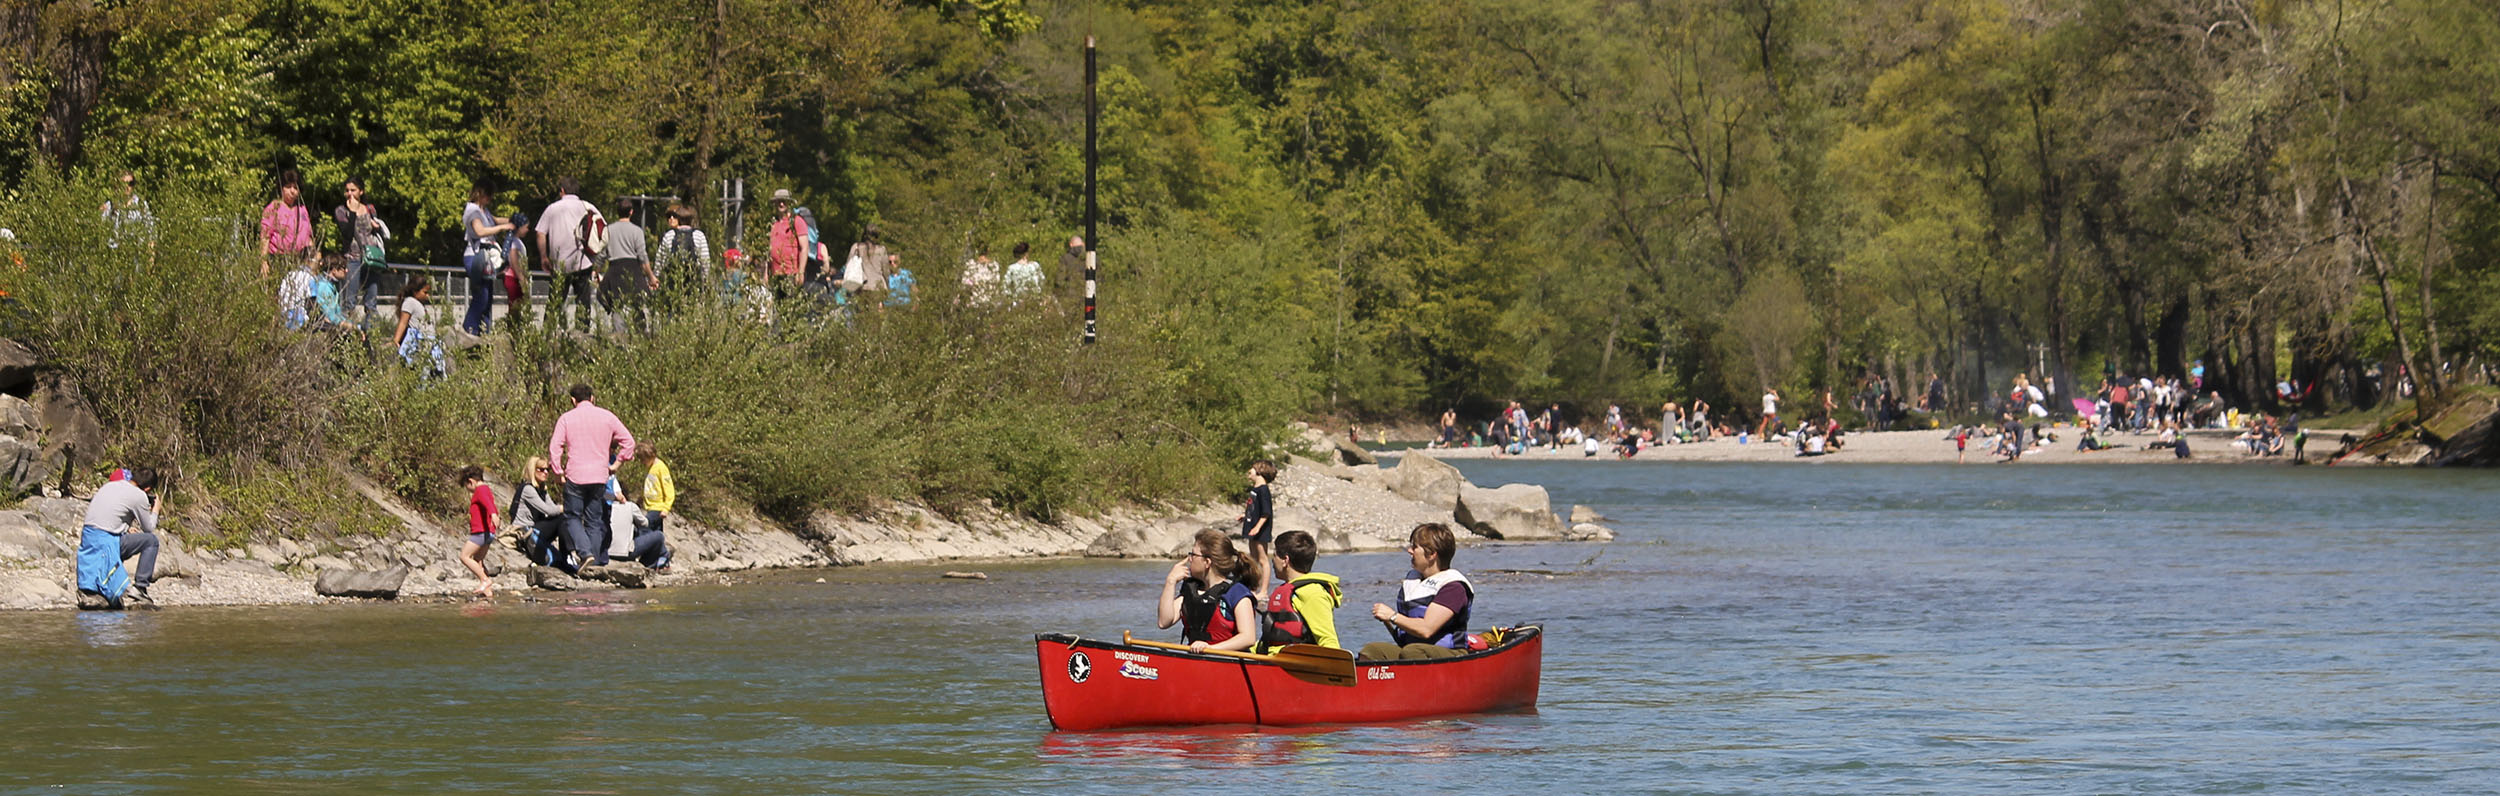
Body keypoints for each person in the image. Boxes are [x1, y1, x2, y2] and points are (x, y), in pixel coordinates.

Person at [548, 383, 635, 570]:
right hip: (599, 476)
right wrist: (616, 464)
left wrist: (557, 471)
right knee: (594, 521)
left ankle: (585, 553)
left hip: (575, 475)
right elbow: (629, 442)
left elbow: (555, 447)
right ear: (592, 398)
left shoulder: (566, 419)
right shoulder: (607, 417)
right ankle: (593, 565)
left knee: (572, 517)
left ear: (573, 400)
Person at [1359, 523, 1475, 661]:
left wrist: (1392, 616)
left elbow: (1426, 630)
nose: (1409, 551)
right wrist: (1387, 620)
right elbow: (1405, 632)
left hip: (1450, 654)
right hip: (1412, 651)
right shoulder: (1414, 581)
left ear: (1431, 554)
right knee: (1372, 651)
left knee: (1413, 651)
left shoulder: (1453, 588)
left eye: (1415, 547)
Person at [1155, 528, 1259, 654]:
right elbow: (1164, 622)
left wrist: (1210, 648)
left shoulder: (1237, 593)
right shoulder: (1192, 589)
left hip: (1227, 660)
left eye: (1193, 555)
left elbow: (1248, 638)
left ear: (1207, 562)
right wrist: (1170, 582)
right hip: (1197, 659)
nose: (1189, 559)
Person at [77, 466, 163, 608]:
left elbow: (108, 515)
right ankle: (140, 587)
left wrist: (125, 529)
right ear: (148, 488)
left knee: (118, 539)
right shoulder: (139, 495)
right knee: (151, 541)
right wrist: (155, 510)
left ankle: (101, 586)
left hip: (89, 539)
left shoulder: (109, 486)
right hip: (106, 542)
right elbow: (148, 529)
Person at [1259, 530, 1343, 652]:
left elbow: (1328, 641)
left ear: (1285, 560)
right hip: (1273, 658)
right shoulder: (1286, 591)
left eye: (1275, 555)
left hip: (1294, 662)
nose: (1272, 560)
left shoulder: (1312, 593)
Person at [538, 177, 600, 331]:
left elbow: (540, 233)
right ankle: (583, 335)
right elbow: (602, 230)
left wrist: (544, 257)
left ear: (562, 191)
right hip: (583, 261)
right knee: (583, 302)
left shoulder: (552, 209)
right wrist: (597, 257)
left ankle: (548, 334)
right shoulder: (587, 207)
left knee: (555, 303)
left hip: (559, 264)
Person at [334, 179, 387, 324]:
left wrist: (376, 226)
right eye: (347, 190)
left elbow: (375, 231)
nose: (350, 193)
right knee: (349, 301)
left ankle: (370, 331)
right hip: (352, 257)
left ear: (361, 191)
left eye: (353, 190)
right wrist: (352, 212)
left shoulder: (369, 209)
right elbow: (346, 233)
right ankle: (347, 331)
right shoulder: (341, 210)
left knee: (371, 301)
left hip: (371, 257)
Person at [601, 199, 653, 333]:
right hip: (633, 268)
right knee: (637, 304)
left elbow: (602, 254)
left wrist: (596, 270)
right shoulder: (637, 231)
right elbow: (642, 256)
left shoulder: (608, 230)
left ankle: (618, 337)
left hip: (615, 269)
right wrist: (651, 277)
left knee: (617, 305)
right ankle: (641, 334)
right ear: (631, 212)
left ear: (617, 212)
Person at [509, 456, 570, 570]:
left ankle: (566, 555)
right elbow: (548, 510)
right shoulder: (528, 489)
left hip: (535, 528)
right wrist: (566, 508)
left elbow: (552, 507)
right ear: (533, 469)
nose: (545, 472)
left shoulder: (542, 489)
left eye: (547, 470)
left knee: (562, 518)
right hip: (524, 530)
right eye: (541, 469)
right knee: (562, 518)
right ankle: (567, 554)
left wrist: (562, 509)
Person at [654, 203, 712, 308]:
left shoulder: (669, 235)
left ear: (679, 219)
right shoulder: (699, 235)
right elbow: (705, 261)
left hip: (673, 282)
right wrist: (705, 280)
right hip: (693, 281)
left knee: (672, 309)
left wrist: (656, 277)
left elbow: (660, 259)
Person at [259, 169, 314, 278]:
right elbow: (265, 237)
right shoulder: (273, 208)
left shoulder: (302, 210)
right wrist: (263, 262)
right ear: (281, 188)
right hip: (278, 259)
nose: (292, 191)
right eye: (288, 187)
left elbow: (308, 235)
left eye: (295, 188)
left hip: (300, 260)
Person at [392, 277, 447, 378]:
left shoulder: (419, 304)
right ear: (415, 291)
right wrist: (396, 340)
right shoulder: (410, 302)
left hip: (430, 341)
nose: (427, 296)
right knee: (423, 370)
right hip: (422, 341)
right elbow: (403, 322)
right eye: (425, 292)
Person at [457, 465, 498, 598]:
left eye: (466, 486)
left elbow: (488, 504)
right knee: (478, 559)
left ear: (471, 481)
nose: (468, 490)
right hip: (488, 533)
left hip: (480, 532)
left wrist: (493, 515)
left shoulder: (480, 490)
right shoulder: (486, 489)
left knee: (464, 556)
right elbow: (490, 503)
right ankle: (487, 591)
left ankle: (485, 580)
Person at [632, 444, 674, 571]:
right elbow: (651, 487)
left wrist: (666, 508)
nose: (642, 462)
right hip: (650, 507)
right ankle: (658, 562)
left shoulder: (661, 468)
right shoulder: (650, 468)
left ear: (652, 456)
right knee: (655, 534)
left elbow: (669, 490)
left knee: (644, 529)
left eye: (644, 459)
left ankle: (663, 554)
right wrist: (641, 499)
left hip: (658, 507)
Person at [1239, 460, 1277, 598]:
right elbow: (1254, 509)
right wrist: (1245, 516)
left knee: (1262, 559)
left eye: (1253, 468)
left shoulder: (1263, 490)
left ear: (1260, 472)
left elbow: (1266, 512)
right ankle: (1253, 588)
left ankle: (1264, 591)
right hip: (1252, 527)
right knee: (1253, 559)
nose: (1250, 471)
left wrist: (1257, 527)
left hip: (1260, 530)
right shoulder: (1255, 490)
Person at [100, 170, 155, 253]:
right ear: (117, 185)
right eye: (123, 183)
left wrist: (151, 253)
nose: (127, 187)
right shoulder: (110, 205)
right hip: (114, 253)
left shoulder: (141, 204)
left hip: (136, 253)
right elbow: (100, 230)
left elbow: (150, 230)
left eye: (130, 183)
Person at [767, 190, 807, 294]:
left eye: (784, 201)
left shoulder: (797, 221)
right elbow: (768, 250)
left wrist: (801, 272)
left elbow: (804, 248)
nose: (781, 204)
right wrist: (766, 273)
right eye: (779, 201)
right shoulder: (773, 223)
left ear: (789, 203)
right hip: (775, 275)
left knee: (790, 301)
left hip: (791, 274)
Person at [846, 224, 891, 300]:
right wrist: (887, 285)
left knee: (861, 307)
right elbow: (886, 271)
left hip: (861, 285)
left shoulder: (856, 247)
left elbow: (848, 265)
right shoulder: (881, 250)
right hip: (877, 285)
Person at [277, 256, 315, 330]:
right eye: (318, 261)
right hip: (299, 318)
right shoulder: (310, 278)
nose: (320, 264)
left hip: (283, 314)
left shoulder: (289, 274)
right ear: (308, 260)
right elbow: (312, 301)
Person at [311, 255, 349, 327]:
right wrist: (349, 326)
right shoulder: (323, 287)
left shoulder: (331, 285)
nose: (346, 271)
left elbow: (337, 312)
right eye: (344, 268)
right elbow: (330, 316)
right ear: (334, 270)